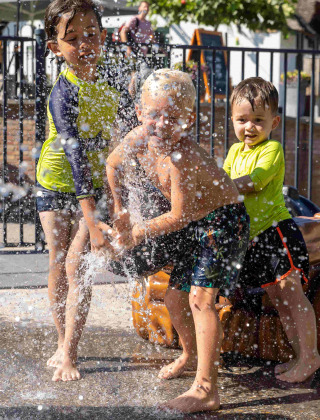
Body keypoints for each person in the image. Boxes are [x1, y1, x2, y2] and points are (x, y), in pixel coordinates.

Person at [105, 69, 250, 413]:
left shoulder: (181, 157)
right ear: (140, 112)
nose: (160, 124)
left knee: (201, 298)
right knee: (174, 297)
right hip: (198, 226)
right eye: (153, 114)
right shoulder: (137, 137)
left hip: (224, 223)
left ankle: (206, 390)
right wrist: (119, 210)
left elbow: (178, 217)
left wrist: (136, 232)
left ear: (187, 120)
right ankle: (191, 354)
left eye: (172, 117)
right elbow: (112, 164)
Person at [36, 0, 136, 382]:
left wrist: (117, 201)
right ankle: (62, 343)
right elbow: (75, 154)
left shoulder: (113, 85)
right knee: (58, 262)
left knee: (78, 267)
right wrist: (93, 219)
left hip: (91, 187)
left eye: (91, 35)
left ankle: (69, 354)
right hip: (56, 182)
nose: (84, 44)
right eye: (72, 38)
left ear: (104, 38)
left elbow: (124, 144)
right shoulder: (63, 93)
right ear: (54, 48)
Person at [223, 76, 320, 383]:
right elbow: (221, 183)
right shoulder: (234, 153)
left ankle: (310, 358)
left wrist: (217, 189)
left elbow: (254, 181)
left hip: (278, 232)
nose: (249, 127)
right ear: (232, 120)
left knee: (293, 297)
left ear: (274, 122)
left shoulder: (272, 149)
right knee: (279, 301)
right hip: (256, 238)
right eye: (242, 120)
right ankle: (296, 357)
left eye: (257, 120)